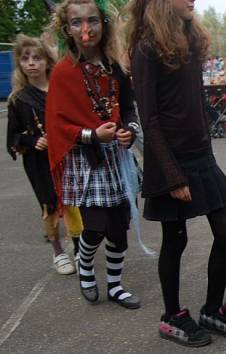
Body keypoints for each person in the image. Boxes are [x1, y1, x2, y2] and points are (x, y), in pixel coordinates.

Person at [127, 0, 226, 346]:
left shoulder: (189, 40)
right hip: (170, 161)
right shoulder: (146, 49)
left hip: (201, 157)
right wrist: (172, 176)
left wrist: (208, 153)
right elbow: (149, 119)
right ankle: (172, 316)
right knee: (176, 238)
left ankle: (212, 309)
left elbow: (196, 104)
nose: (192, 1)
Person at [46, 0, 142, 309]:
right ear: (66, 29)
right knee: (96, 226)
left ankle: (115, 285)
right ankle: (85, 266)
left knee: (120, 227)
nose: (86, 29)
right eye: (77, 23)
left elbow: (128, 106)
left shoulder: (114, 65)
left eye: (92, 21)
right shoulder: (63, 71)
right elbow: (58, 124)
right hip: (87, 162)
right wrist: (92, 135)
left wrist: (129, 129)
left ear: (104, 23)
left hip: (117, 158)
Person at [7, 34, 83, 275]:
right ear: (19, 63)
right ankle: (58, 252)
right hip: (39, 161)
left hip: (67, 156)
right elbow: (13, 137)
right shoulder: (18, 99)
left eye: (37, 58)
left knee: (74, 202)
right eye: (25, 58)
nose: (31, 63)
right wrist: (31, 140)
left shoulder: (60, 89)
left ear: (47, 61)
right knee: (49, 205)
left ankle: (81, 249)